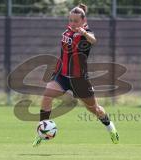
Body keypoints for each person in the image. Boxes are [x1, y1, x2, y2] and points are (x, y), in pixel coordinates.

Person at [33, 3, 119, 146]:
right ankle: (42, 132)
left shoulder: (86, 34)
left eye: (76, 21)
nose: (72, 23)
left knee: (95, 109)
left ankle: (111, 128)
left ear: (83, 21)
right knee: (47, 97)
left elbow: (93, 39)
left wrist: (84, 32)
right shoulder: (68, 31)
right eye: (71, 20)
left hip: (79, 80)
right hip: (62, 75)